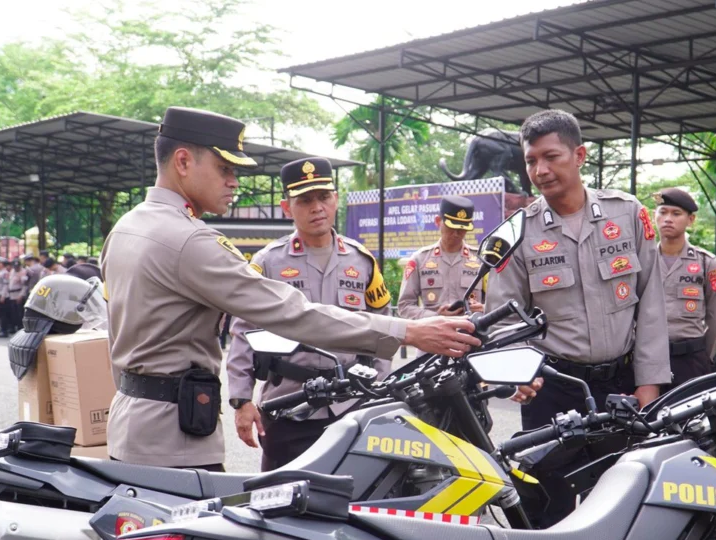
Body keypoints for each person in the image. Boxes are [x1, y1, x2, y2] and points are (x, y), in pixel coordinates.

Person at [101, 106, 479, 470]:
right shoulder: (191, 241)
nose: (234, 181)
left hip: (133, 426)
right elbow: (290, 313)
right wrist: (409, 330)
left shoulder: (126, 228)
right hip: (177, 441)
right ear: (183, 162)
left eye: (324, 197)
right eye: (224, 169)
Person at [486, 109, 669, 525]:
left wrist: (649, 384)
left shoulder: (627, 214)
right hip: (553, 389)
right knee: (545, 508)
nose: (540, 170)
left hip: (621, 389)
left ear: (580, 155)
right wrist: (517, 372)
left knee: (621, 508)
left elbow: (652, 303)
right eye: (531, 160)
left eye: (551, 157)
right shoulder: (516, 233)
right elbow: (502, 316)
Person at [227, 157, 395, 471]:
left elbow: (382, 325)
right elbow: (243, 333)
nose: (316, 207)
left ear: (336, 199)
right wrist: (241, 399)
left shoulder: (362, 261)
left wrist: (380, 390)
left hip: (351, 405)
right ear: (286, 208)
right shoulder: (268, 263)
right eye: (304, 200)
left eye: (323, 197)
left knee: (352, 499)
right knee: (282, 499)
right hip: (288, 405)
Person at [652, 188, 716, 385]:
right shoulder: (643, 261)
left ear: (690, 220)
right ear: (654, 216)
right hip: (648, 360)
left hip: (691, 359)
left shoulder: (707, 263)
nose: (668, 219)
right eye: (663, 212)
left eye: (676, 214)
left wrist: (705, 356)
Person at [397, 195, 485, 318]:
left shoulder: (482, 261)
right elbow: (404, 306)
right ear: (438, 221)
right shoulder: (419, 260)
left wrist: (484, 308)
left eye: (462, 228)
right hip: (434, 334)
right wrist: (435, 317)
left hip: (471, 332)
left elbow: (498, 303)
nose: (456, 233)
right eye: (451, 227)